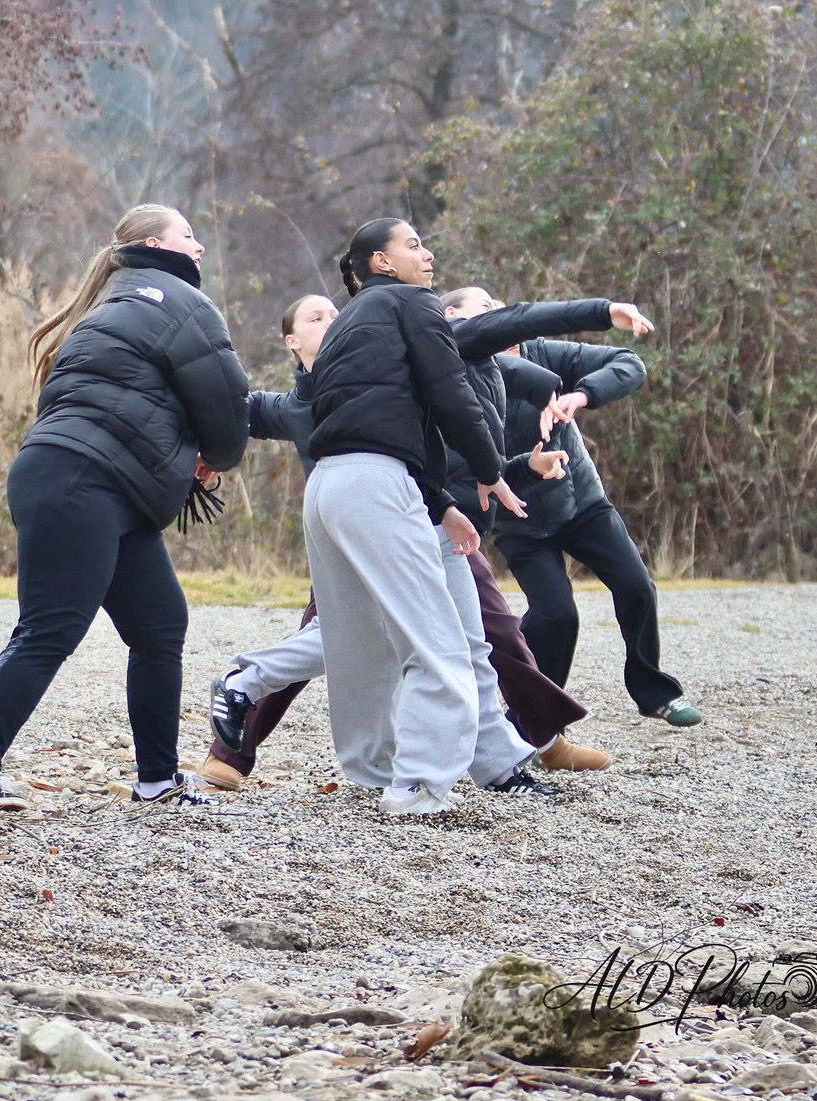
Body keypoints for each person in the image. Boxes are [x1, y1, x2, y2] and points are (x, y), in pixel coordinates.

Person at [197, 295, 609, 789]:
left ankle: (507, 757)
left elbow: (488, 355)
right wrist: (206, 456)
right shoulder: (295, 406)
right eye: (315, 317)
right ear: (291, 341)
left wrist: (545, 387)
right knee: (367, 638)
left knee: (480, 637)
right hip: (368, 532)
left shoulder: (392, 363)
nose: (331, 321)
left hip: (436, 520)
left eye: (335, 314)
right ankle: (241, 715)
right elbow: (229, 412)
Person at [0, 204, 250, 809]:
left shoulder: (113, 300)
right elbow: (225, 399)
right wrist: (216, 454)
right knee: (50, 629)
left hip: (98, 484)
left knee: (160, 624)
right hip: (82, 480)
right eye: (189, 235)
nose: (199, 247)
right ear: (156, 245)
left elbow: (140, 400)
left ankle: (158, 781)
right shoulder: (182, 302)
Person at [300, 218, 545, 816]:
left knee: (358, 644)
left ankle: (372, 770)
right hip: (379, 485)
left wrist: (439, 504)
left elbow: (363, 417)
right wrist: (489, 468)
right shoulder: (412, 302)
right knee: (439, 646)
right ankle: (416, 785)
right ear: (382, 263)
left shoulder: (344, 324)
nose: (427, 253)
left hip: (327, 486)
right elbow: (451, 394)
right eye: (413, 245)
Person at [462, 296, 700, 725]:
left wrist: (582, 395)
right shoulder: (459, 375)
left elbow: (629, 364)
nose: (497, 310)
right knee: (556, 616)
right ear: (456, 319)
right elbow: (471, 462)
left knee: (637, 587)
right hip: (521, 521)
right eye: (484, 306)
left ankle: (654, 693)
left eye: (498, 303)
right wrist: (528, 467)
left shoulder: (542, 352)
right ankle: (533, 720)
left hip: (583, 504)